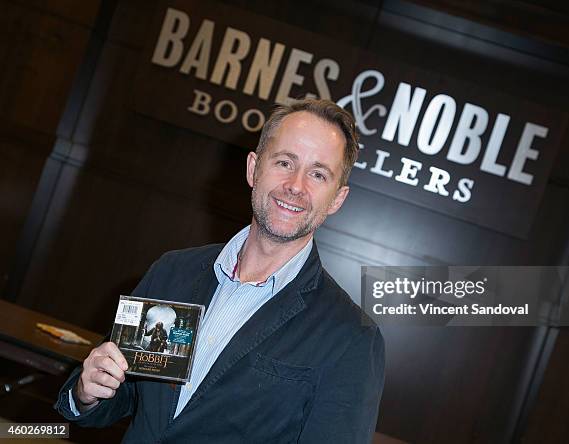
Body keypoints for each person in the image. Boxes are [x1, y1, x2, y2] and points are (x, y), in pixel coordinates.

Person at [55, 99, 386, 443]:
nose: (296, 185)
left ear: (337, 198)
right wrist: (88, 391)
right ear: (253, 168)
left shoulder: (351, 338)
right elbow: (126, 396)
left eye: (318, 174)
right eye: (285, 162)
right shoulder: (174, 272)